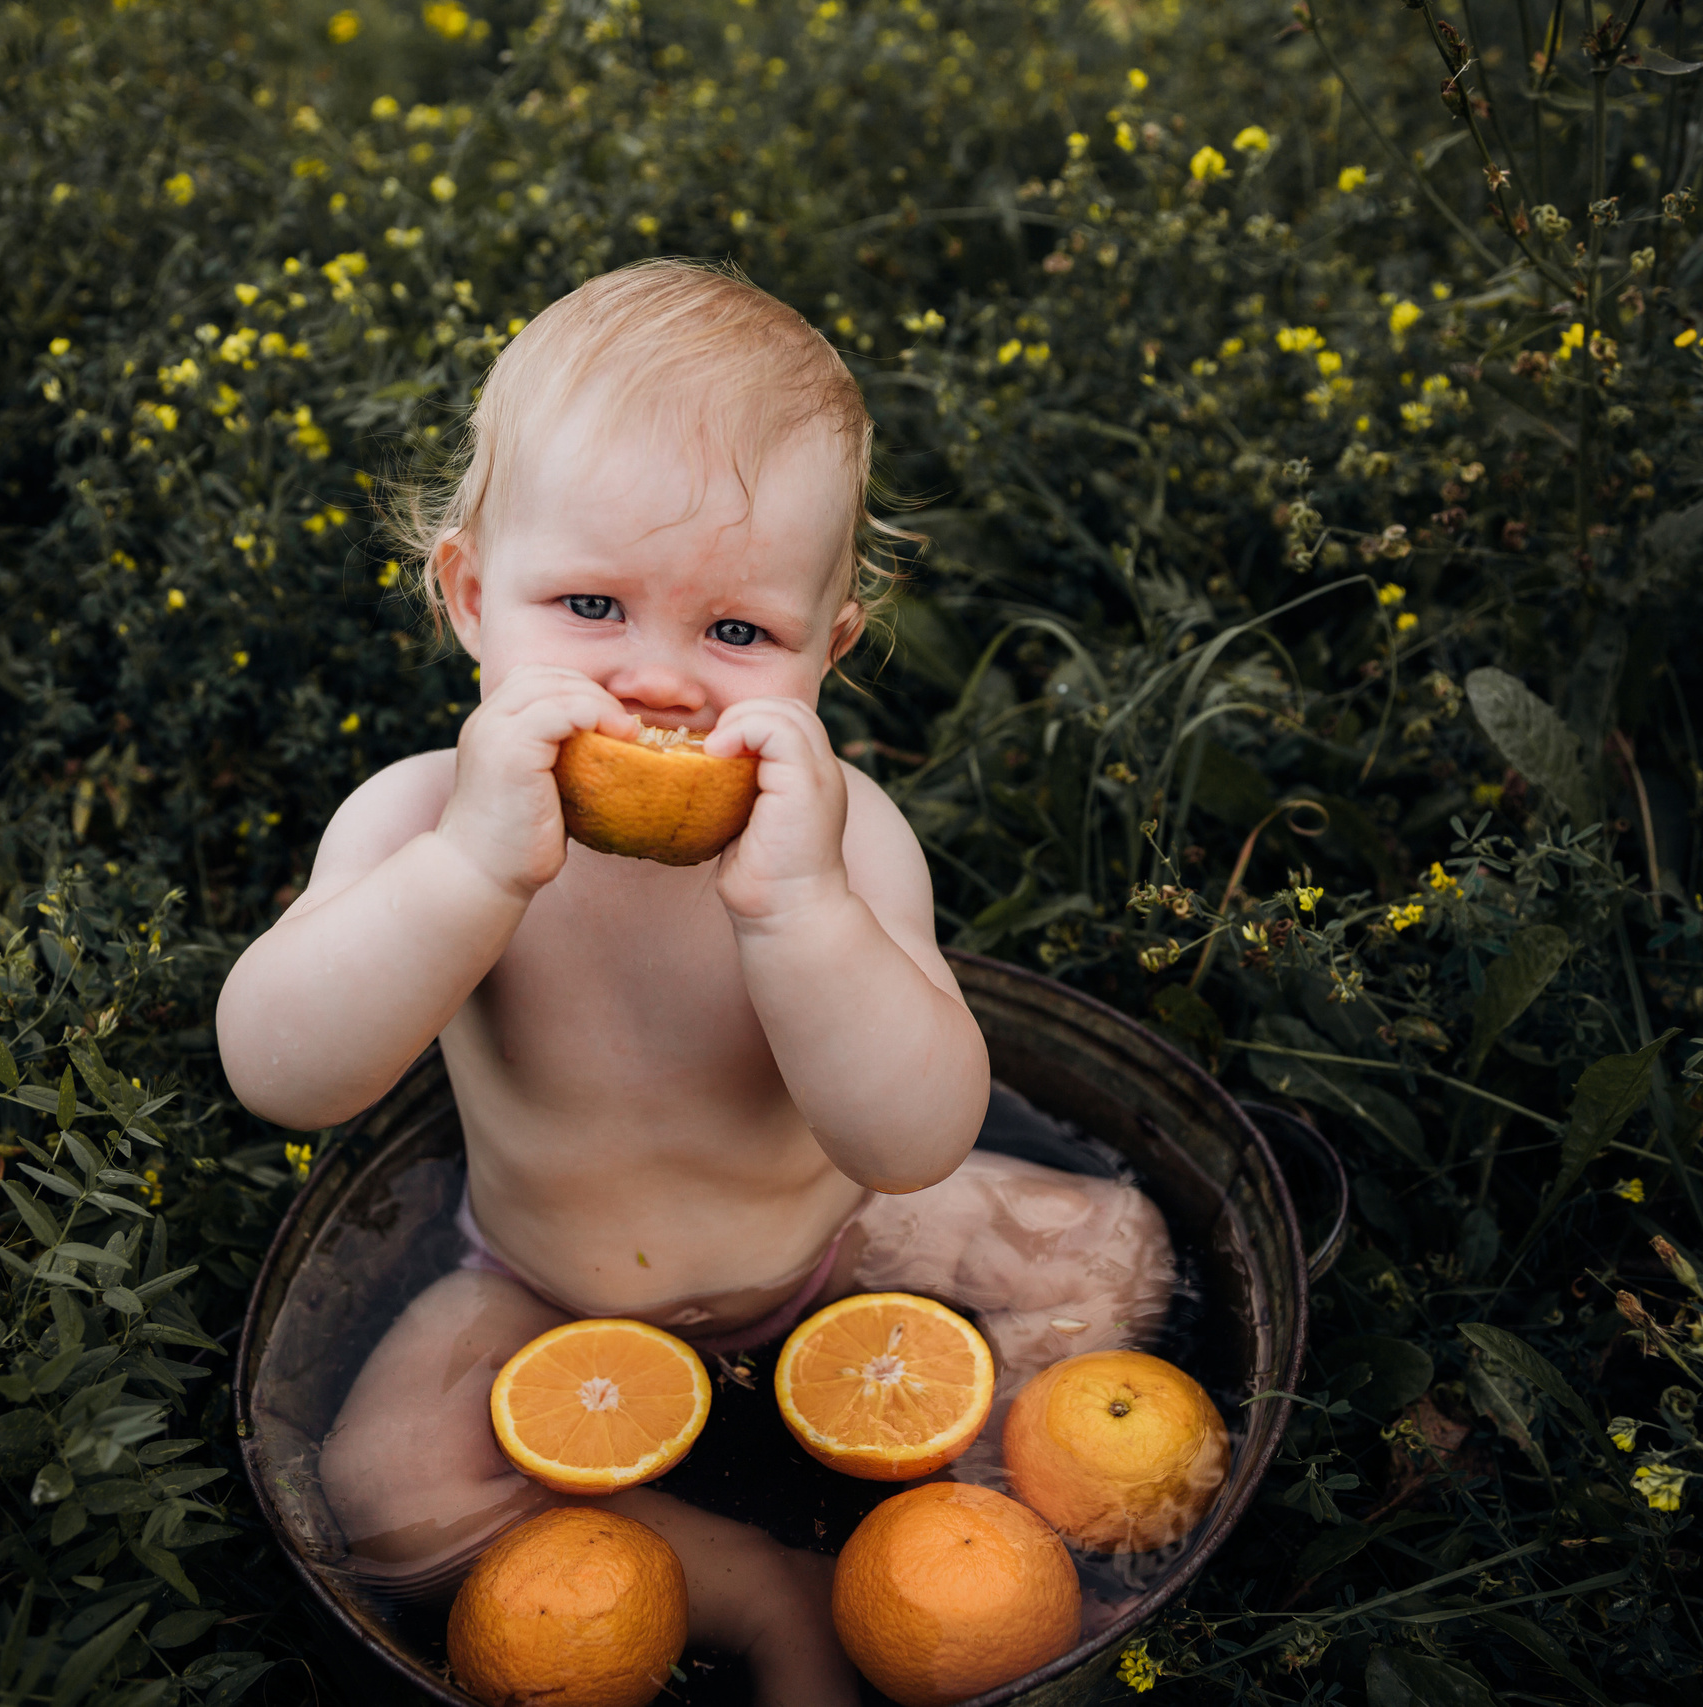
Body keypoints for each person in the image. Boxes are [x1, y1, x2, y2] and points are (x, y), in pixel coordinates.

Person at [216, 259, 1171, 1705]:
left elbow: (907, 1143)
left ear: (827, 651)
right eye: (590, 603)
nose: (661, 682)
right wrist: (473, 872)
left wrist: (797, 913)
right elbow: (283, 1077)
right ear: (473, 599)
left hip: (839, 1248)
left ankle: (964, 1528)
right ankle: (761, 1588)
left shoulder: (842, 839)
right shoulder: (419, 819)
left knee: (1120, 1248)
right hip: (538, 1290)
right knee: (382, 1488)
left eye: (738, 633)